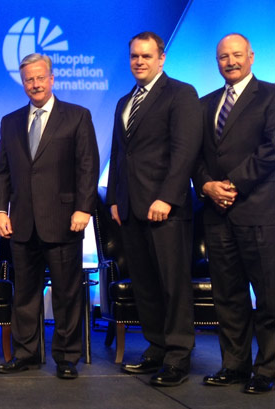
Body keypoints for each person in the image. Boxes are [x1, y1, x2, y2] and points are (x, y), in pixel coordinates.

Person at [0, 53, 99, 379]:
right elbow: (2, 172)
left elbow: (87, 166)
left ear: (52, 79)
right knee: (24, 293)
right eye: (29, 79)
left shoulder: (77, 116)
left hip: (65, 220)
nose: (35, 84)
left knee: (67, 293)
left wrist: (84, 208)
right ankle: (26, 354)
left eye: (40, 78)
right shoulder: (10, 121)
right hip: (22, 222)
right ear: (22, 82)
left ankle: (67, 358)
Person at [106, 31, 202, 386]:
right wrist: (114, 199)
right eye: (134, 56)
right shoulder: (123, 101)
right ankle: (157, 347)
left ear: (161, 58)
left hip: (166, 209)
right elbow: (119, 154)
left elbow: (185, 150)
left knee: (172, 285)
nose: (139, 62)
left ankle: (178, 356)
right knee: (145, 284)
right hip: (130, 209)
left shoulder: (181, 94)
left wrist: (168, 196)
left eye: (146, 56)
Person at [194, 33, 275, 394]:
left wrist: (232, 184)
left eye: (237, 55)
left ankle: (267, 369)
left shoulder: (271, 96)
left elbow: (271, 151)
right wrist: (207, 186)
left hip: (258, 213)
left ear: (252, 57)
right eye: (224, 56)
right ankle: (235, 365)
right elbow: (192, 156)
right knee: (227, 296)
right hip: (217, 215)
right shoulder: (204, 103)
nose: (231, 61)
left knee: (269, 296)